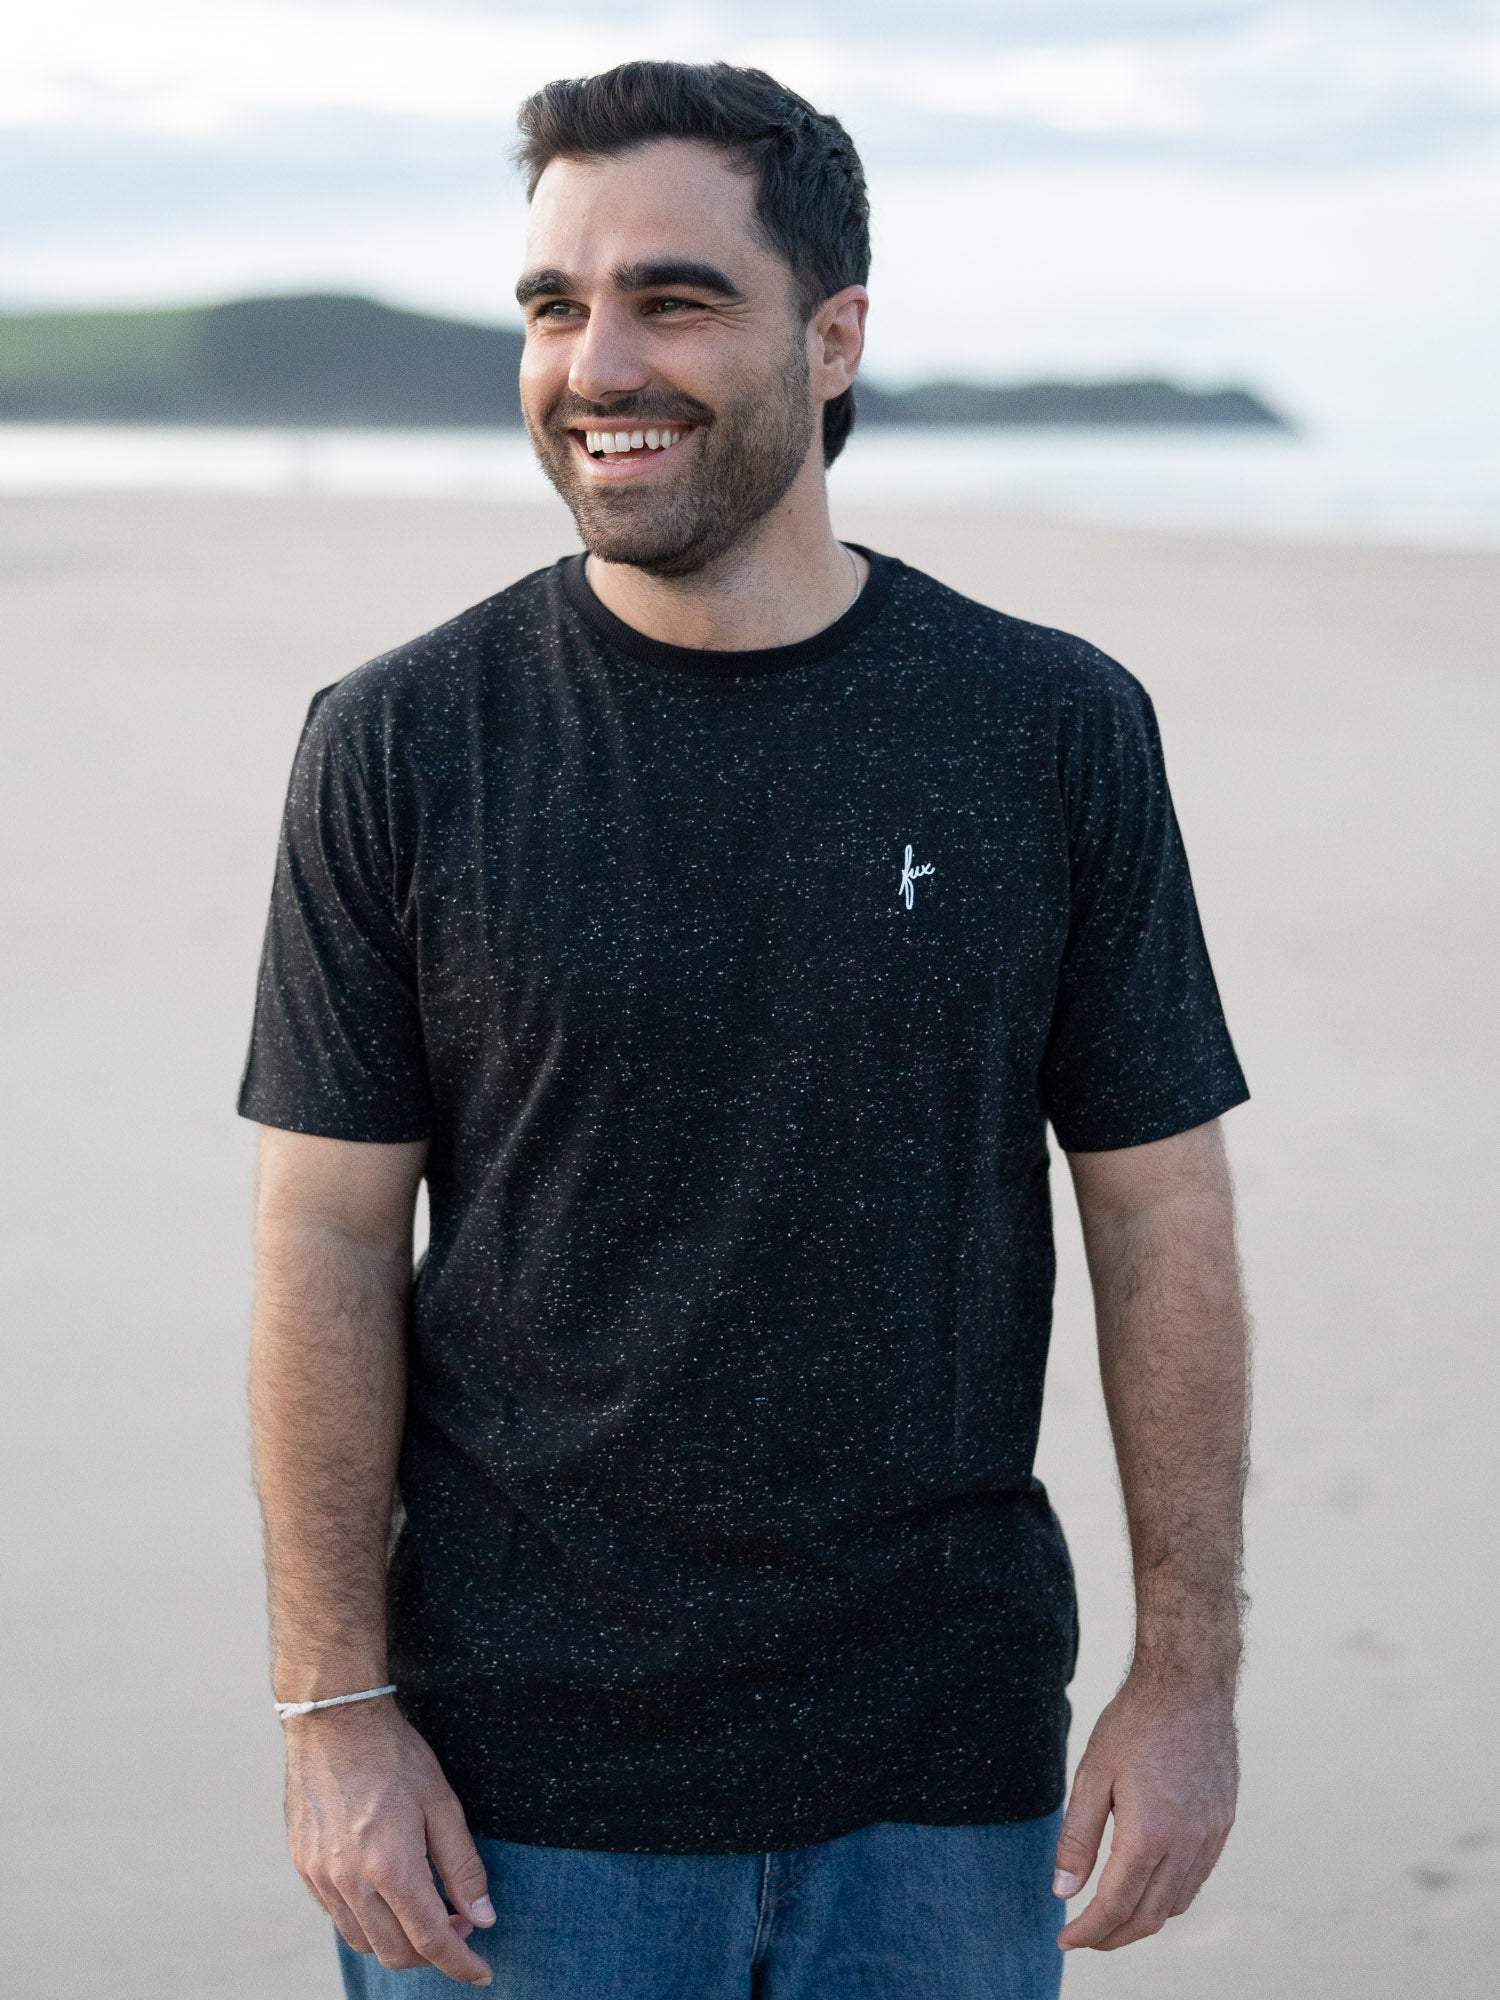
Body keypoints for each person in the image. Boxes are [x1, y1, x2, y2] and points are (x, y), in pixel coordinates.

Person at [241, 60, 1251, 2000]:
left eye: (674, 298)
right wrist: (332, 1712)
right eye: (554, 304)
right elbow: (327, 1238)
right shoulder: (400, 742)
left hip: (945, 1778)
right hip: (515, 1803)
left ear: (837, 332)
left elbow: (1162, 1214)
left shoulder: (1047, 730)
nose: (595, 361)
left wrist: (1186, 1674)